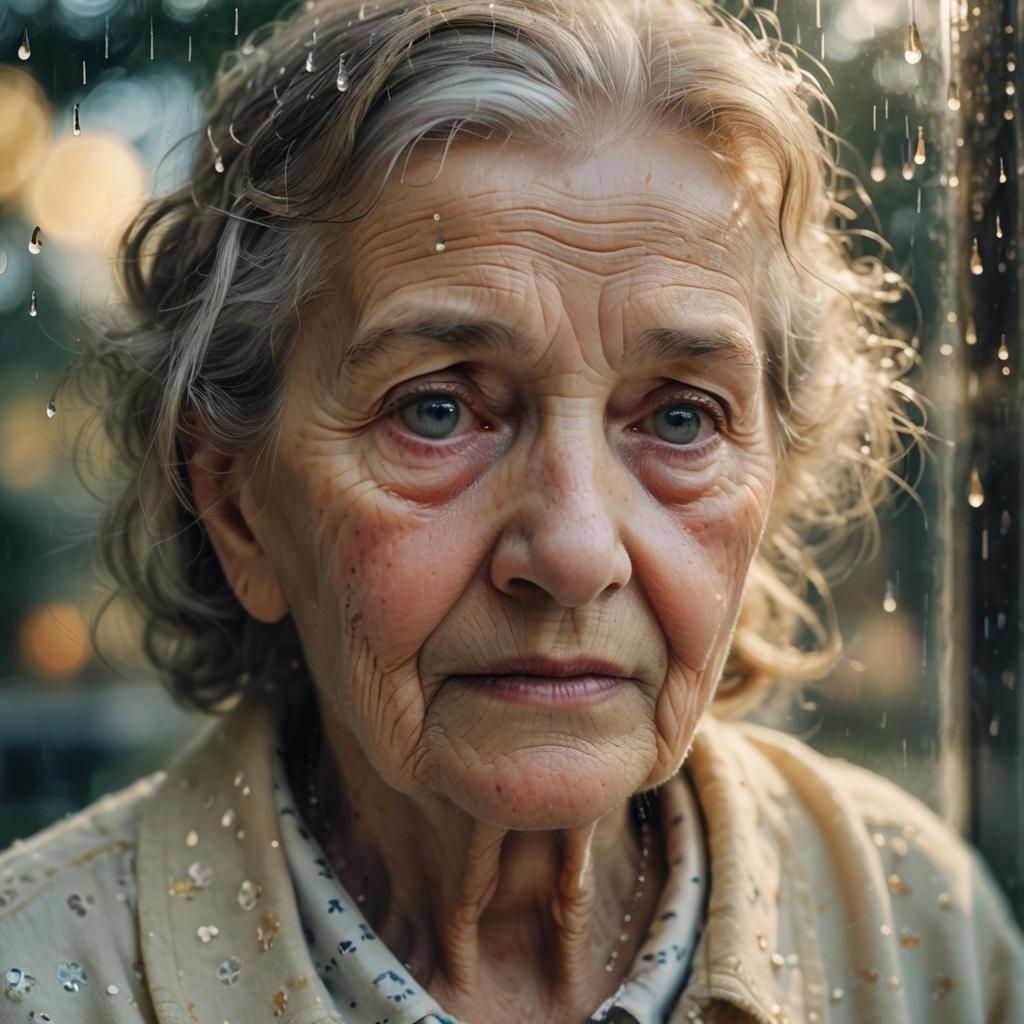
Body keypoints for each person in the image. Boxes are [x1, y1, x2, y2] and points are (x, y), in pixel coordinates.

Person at [2, 0, 1022, 1021]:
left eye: (678, 419)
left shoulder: (913, 928)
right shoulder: (41, 979)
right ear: (238, 510)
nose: (574, 552)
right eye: (436, 410)